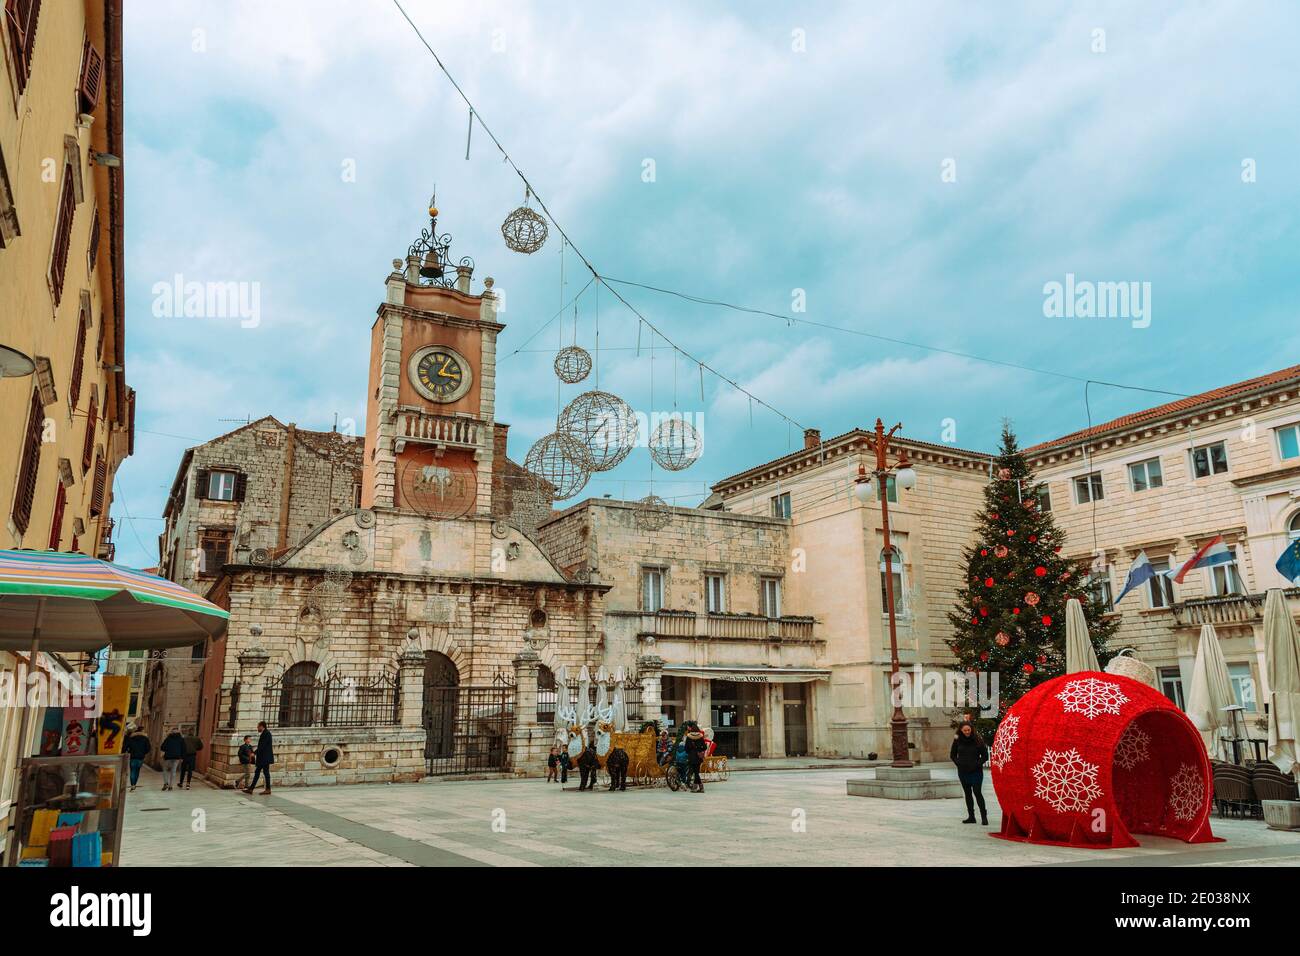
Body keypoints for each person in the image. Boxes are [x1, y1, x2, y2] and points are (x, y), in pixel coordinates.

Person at [951, 721, 989, 825]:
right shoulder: (957, 741)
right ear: (961, 731)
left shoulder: (977, 740)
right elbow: (952, 755)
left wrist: (977, 764)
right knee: (968, 793)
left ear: (971, 729)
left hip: (976, 771)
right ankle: (971, 817)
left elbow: (985, 756)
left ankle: (984, 817)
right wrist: (958, 763)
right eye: (965, 730)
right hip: (963, 772)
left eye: (968, 730)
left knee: (977, 792)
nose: (967, 732)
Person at [244, 722, 274, 795]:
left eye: (258, 727)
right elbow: (262, 746)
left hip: (265, 758)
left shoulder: (266, 733)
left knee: (266, 773)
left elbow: (262, 746)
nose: (257, 728)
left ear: (262, 726)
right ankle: (251, 789)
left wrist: (254, 753)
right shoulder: (265, 733)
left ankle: (268, 789)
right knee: (257, 772)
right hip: (263, 758)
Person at [123, 726, 151, 792]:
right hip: (140, 757)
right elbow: (148, 748)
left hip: (133, 756)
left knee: (132, 771)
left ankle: (132, 784)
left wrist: (129, 751)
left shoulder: (131, 738)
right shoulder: (145, 738)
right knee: (137, 771)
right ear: (142, 731)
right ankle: (134, 784)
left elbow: (126, 746)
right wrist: (144, 752)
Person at [160, 727, 186, 792]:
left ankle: (166, 783)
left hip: (168, 756)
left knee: (165, 769)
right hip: (177, 757)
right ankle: (171, 786)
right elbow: (184, 749)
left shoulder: (168, 738)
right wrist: (182, 757)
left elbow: (162, 747)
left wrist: (168, 749)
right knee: (173, 771)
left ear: (171, 732)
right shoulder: (181, 739)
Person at [684, 725, 708, 793]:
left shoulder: (689, 737)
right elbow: (705, 747)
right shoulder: (700, 737)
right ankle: (700, 787)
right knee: (696, 772)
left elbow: (686, 748)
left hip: (691, 756)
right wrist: (700, 749)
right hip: (698, 757)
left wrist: (690, 751)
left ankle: (697, 788)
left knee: (695, 772)